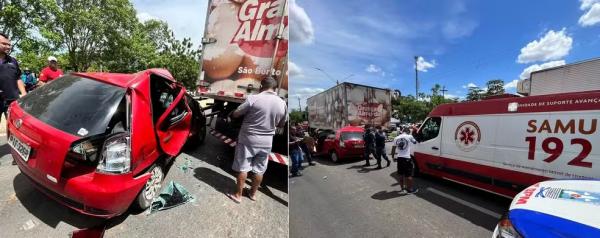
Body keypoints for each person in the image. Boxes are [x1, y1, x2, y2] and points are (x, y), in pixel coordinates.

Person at [226, 77, 287, 203]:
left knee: (243, 167)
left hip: (248, 139)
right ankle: (252, 194)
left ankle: (238, 195)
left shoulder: (254, 98)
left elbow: (237, 113)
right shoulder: (282, 103)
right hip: (267, 142)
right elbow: (281, 125)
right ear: (275, 88)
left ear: (261, 87)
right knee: (259, 169)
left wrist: (232, 115)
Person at [0, 32, 27, 122]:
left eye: (9, 45)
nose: (8, 47)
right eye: (4, 44)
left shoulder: (13, 61)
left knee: (13, 128)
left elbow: (18, 78)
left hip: (12, 101)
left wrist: (23, 93)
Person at [391, 127, 418, 194]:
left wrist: (393, 157)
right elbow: (415, 142)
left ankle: (403, 189)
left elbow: (393, 149)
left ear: (402, 131)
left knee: (400, 175)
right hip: (407, 158)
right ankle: (410, 189)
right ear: (408, 131)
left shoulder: (396, 138)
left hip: (399, 158)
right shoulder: (409, 136)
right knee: (408, 175)